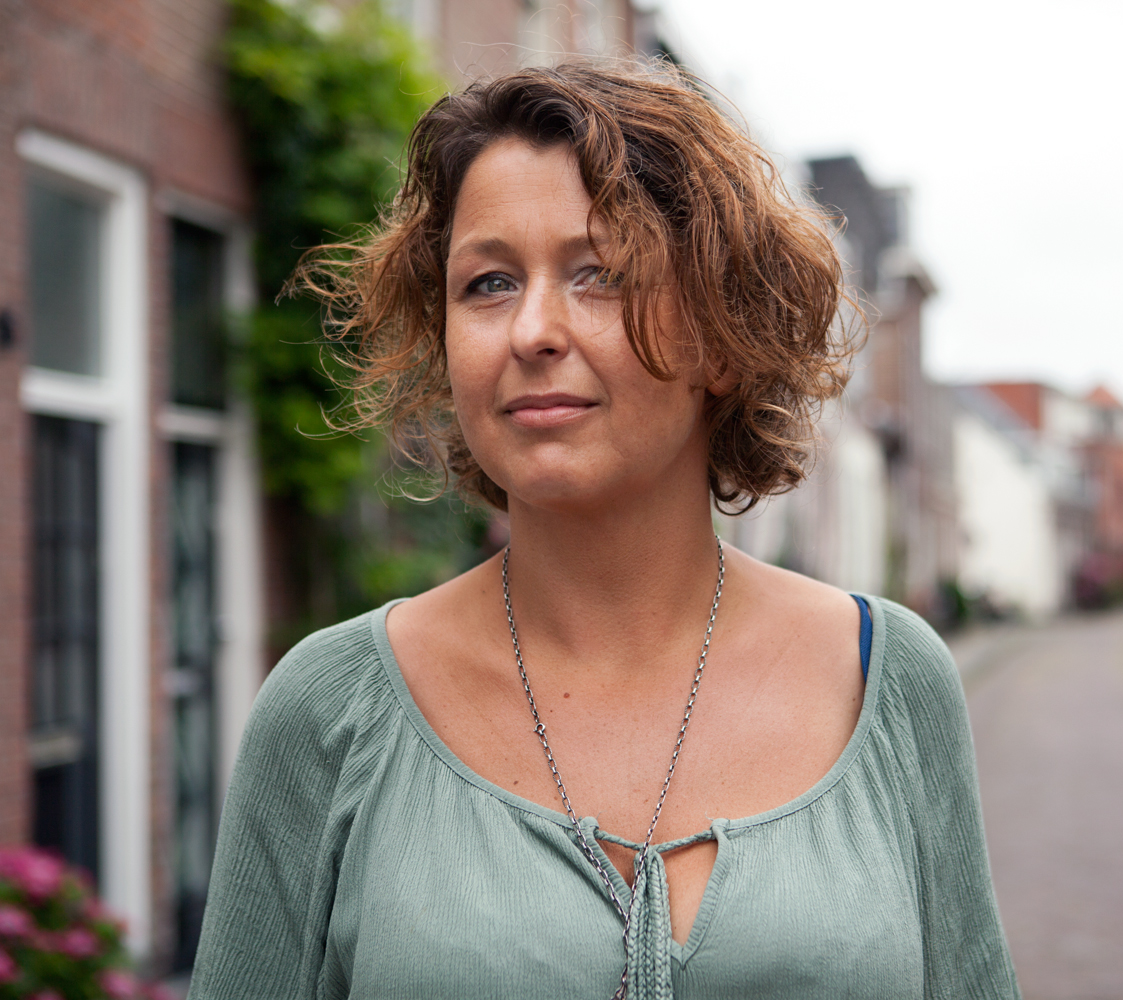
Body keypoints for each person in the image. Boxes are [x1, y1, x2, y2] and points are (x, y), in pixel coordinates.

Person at [188, 59, 1018, 1000]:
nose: (532, 330)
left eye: (601, 275)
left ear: (722, 333)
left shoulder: (885, 680)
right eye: (488, 283)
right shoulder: (332, 710)